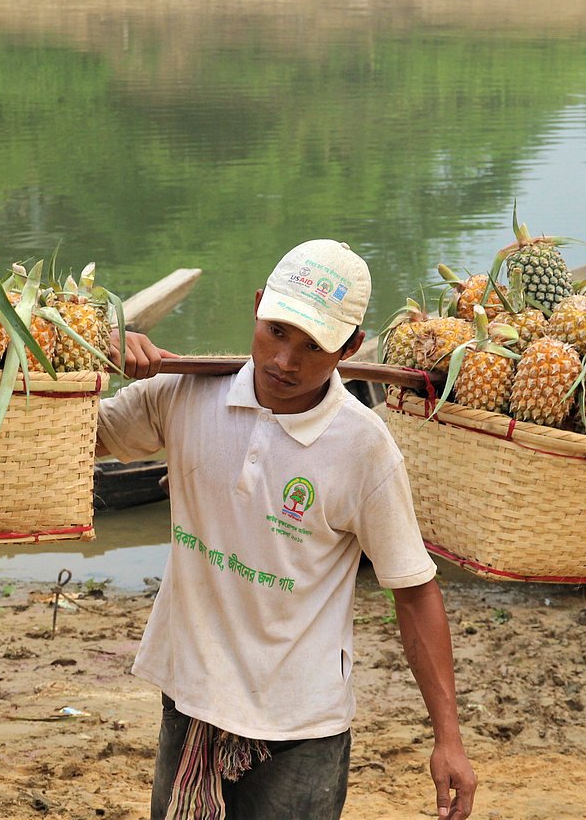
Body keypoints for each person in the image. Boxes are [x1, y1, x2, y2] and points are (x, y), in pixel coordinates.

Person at [98, 239, 477, 819]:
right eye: (276, 331)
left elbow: (414, 590)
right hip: (192, 695)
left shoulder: (364, 449)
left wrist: (447, 738)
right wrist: (94, 357)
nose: (285, 362)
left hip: (301, 724)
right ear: (256, 308)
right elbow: (73, 439)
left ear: (349, 348)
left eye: (313, 346)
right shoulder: (183, 394)